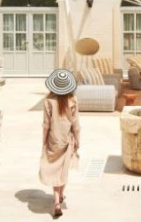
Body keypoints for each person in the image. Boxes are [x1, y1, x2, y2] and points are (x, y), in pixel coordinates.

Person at [39, 69, 80, 218]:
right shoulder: (73, 100)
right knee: (63, 169)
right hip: (67, 139)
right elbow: (75, 124)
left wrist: (44, 141)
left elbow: (46, 124)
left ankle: (57, 201)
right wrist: (78, 140)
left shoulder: (48, 101)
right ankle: (60, 195)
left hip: (53, 139)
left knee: (55, 169)